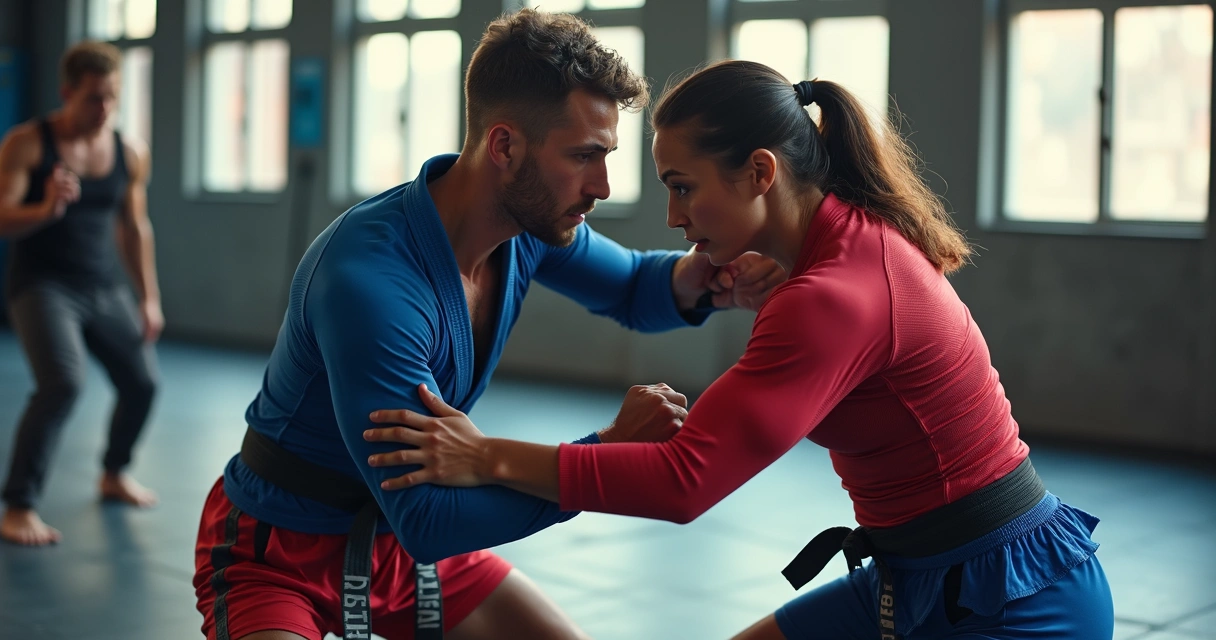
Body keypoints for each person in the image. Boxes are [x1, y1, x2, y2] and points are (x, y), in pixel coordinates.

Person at [363, 60, 1116, 639]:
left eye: (685, 188)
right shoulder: (842, 244)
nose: (673, 215)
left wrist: (485, 455)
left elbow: (683, 482)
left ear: (760, 172)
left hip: (1010, 601)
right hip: (921, 575)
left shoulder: (829, 297)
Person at [191, 12, 784, 640]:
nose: (603, 186)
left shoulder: (526, 229)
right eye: (584, 156)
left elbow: (636, 287)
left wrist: (708, 280)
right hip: (279, 551)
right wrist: (602, 454)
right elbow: (427, 516)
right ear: (504, 147)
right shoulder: (371, 282)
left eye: (605, 157)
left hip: (396, 550)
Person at [0, 41, 162, 547]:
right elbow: (3, 217)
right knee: (63, 383)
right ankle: (18, 506)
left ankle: (114, 473)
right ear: (67, 92)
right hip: (42, 285)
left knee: (143, 382)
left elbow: (134, 227)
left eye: (112, 97)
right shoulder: (26, 144)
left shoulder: (129, 150)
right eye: (93, 98)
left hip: (101, 285)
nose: (104, 109)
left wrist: (148, 297)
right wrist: (46, 209)